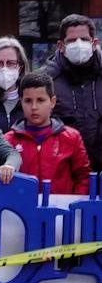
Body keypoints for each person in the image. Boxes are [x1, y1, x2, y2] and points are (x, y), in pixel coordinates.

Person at [5, 71, 91, 195]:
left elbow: (83, 176)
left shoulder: (72, 137)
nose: (34, 107)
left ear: (52, 102)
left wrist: (74, 205)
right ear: (21, 102)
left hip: (62, 210)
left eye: (40, 100)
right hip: (20, 210)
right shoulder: (8, 140)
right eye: (28, 101)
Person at [44, 14, 102, 170]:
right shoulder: (47, 81)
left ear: (94, 43)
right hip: (65, 171)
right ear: (61, 46)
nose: (78, 44)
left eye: (84, 39)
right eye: (71, 40)